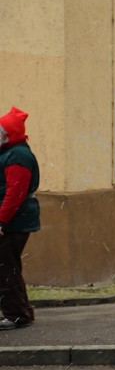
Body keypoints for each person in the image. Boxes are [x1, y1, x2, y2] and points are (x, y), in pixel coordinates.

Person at [0, 107, 40, 331]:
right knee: (9, 267)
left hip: (15, 220)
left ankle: (16, 315)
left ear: (10, 134)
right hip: (16, 219)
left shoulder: (18, 156)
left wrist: (1, 222)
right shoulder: (11, 152)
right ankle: (21, 312)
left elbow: (15, 193)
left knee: (5, 268)